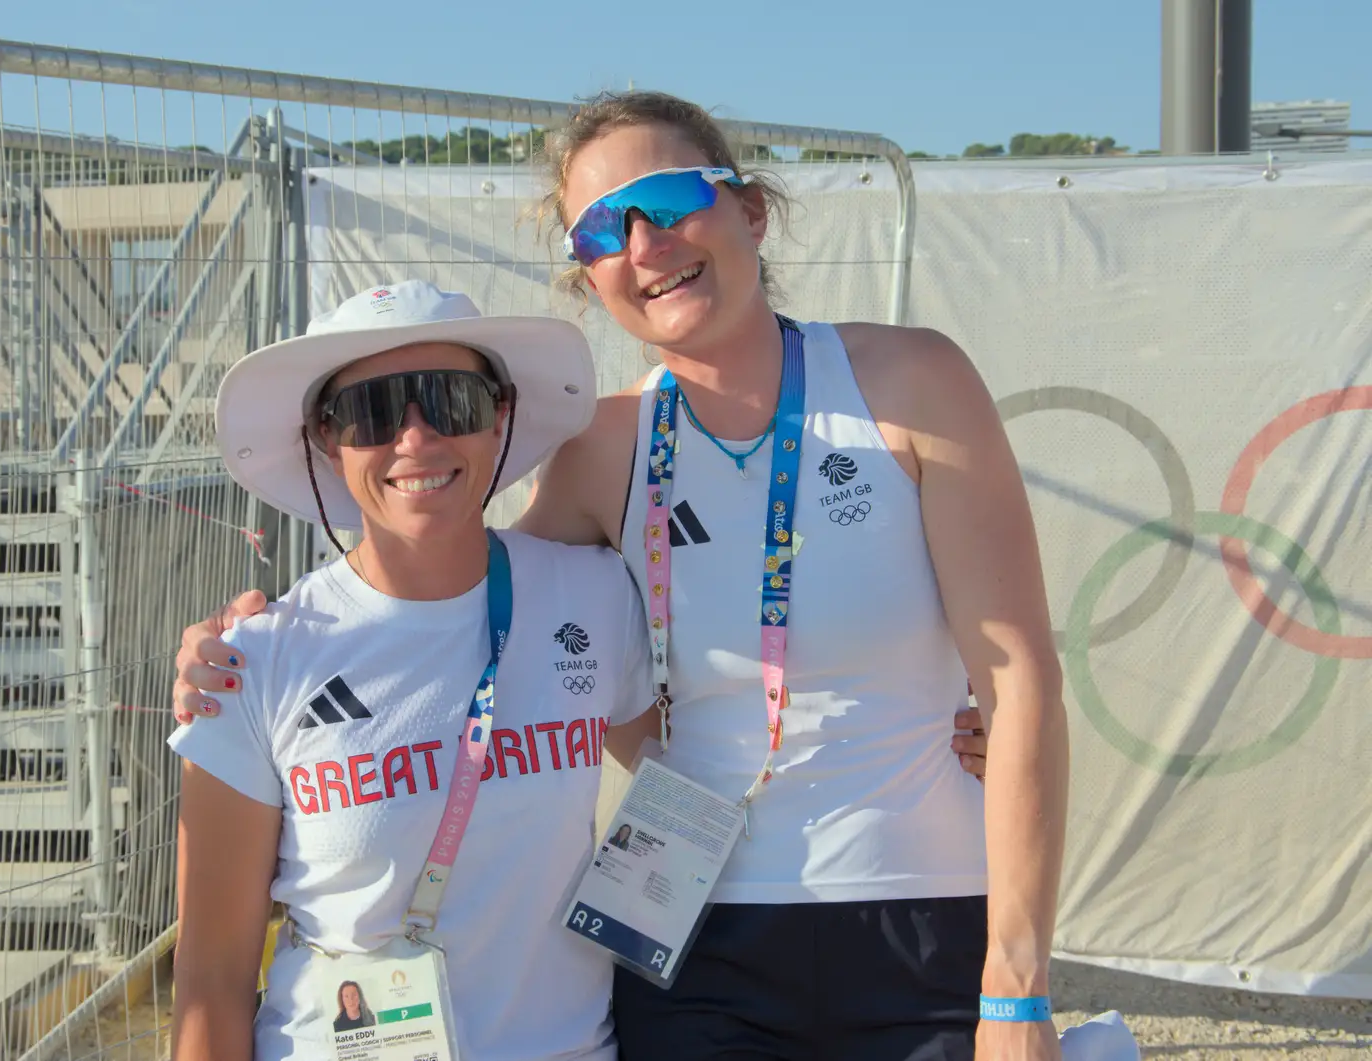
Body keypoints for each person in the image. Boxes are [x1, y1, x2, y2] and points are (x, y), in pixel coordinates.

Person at [173, 90, 1067, 1061]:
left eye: (669, 199)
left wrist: (1016, 991)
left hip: (921, 918)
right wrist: (248, 654)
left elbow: (1020, 680)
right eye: (603, 226)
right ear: (586, 273)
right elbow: (453, 597)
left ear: (750, 210)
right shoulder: (603, 448)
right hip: (690, 940)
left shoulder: (911, 382)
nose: (643, 242)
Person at [169, 280, 658, 1061]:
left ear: (501, 414)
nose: (416, 438)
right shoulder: (250, 662)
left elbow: (693, 765)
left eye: (450, 400)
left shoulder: (596, 596)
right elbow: (212, 980)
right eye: (372, 411)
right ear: (328, 440)